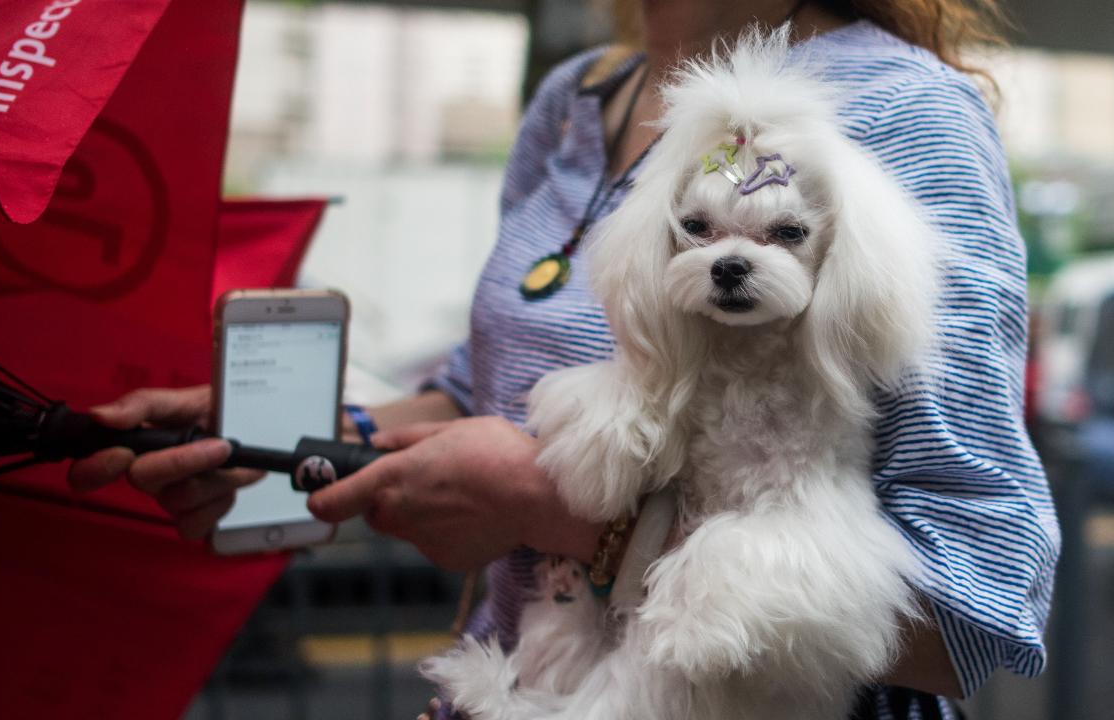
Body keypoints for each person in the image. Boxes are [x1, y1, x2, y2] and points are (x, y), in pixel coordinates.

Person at [68, 1, 1059, 718]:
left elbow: (981, 605)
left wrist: (569, 516)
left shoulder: (906, 116)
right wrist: (298, 447)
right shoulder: (575, 97)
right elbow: (482, 390)